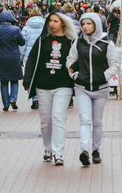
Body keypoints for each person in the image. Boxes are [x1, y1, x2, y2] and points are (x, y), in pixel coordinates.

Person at [23, 11, 78, 166]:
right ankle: (47, 148)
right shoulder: (42, 40)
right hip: (43, 84)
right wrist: (27, 80)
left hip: (63, 84)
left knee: (58, 117)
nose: (52, 24)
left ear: (63, 23)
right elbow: (32, 59)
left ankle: (58, 152)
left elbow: (77, 60)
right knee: (46, 120)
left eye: (56, 21)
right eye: (50, 21)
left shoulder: (71, 41)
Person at [67, 13, 120, 166]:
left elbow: (114, 64)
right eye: (83, 24)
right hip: (82, 87)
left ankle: (96, 150)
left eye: (89, 24)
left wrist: (105, 76)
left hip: (100, 88)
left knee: (97, 122)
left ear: (96, 24)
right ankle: (84, 150)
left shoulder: (106, 43)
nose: (85, 27)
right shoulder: (78, 42)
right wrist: (75, 75)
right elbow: (70, 61)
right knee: (85, 120)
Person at [0, 11, 25, 111]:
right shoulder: (16, 29)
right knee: (14, 80)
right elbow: (22, 42)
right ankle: (13, 99)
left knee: (4, 81)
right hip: (14, 57)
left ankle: (6, 104)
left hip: (0, 57)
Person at [21, 6, 44, 110]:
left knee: (32, 77)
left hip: (29, 56)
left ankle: (35, 99)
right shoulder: (45, 27)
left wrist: (21, 57)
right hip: (43, 55)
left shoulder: (26, 28)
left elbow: (22, 45)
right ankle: (42, 98)